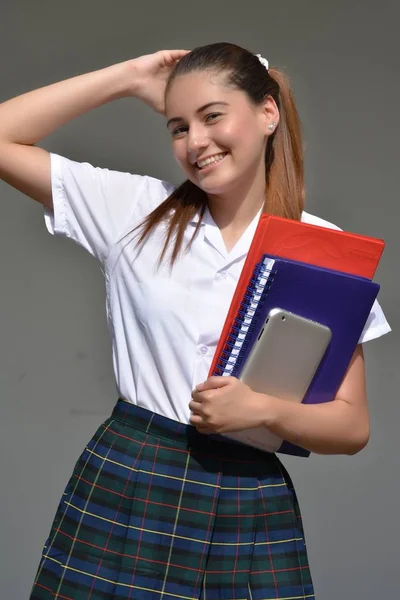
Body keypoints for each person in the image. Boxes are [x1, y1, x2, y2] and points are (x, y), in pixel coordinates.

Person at [0, 42, 391, 600]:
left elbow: (352, 426)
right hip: (133, 478)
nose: (196, 142)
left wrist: (262, 409)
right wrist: (128, 76)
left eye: (212, 117)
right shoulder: (133, 211)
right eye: (177, 127)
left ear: (267, 113)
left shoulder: (323, 249)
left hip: (248, 499)